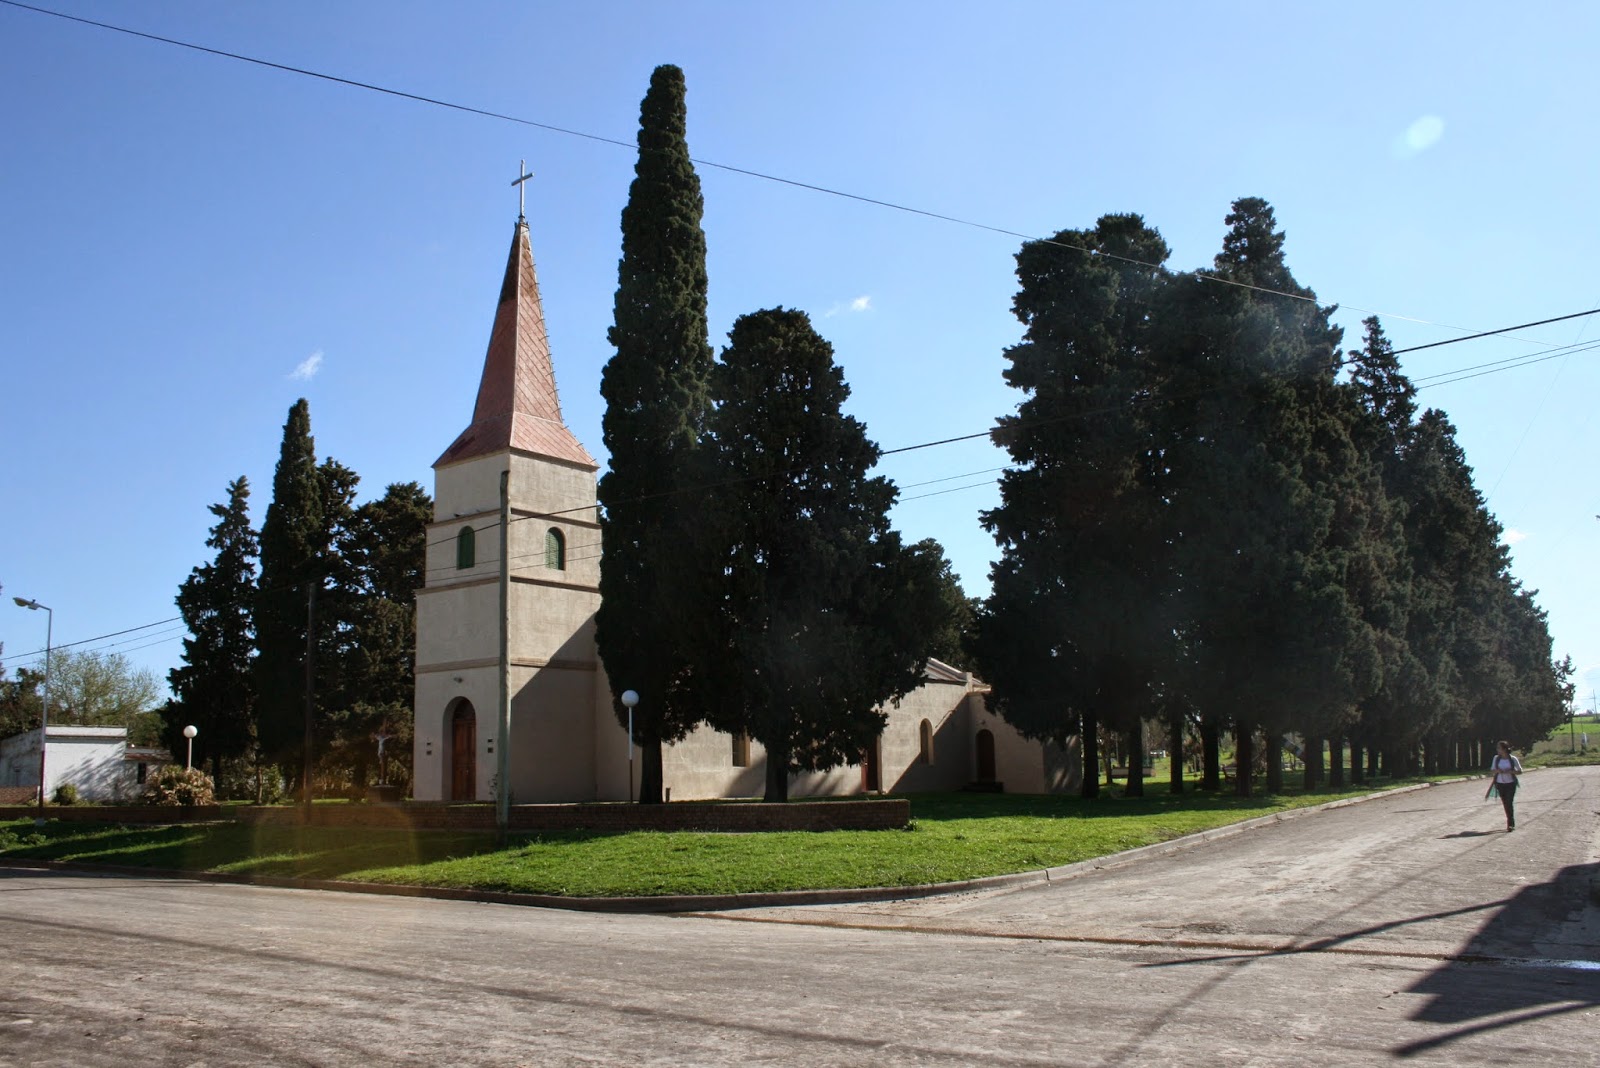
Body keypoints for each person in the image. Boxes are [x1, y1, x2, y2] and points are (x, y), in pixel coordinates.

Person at [1489, 741, 1522, 831]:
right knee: (1505, 803)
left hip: (1510, 783)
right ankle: (1510, 821)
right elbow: (1492, 770)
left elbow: (1520, 771)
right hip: (1500, 784)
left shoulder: (1513, 759)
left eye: (1499, 748)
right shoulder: (1496, 758)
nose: (1497, 750)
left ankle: (1510, 824)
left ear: (1504, 749)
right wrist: (1497, 771)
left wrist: (1510, 771)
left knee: (1509, 802)